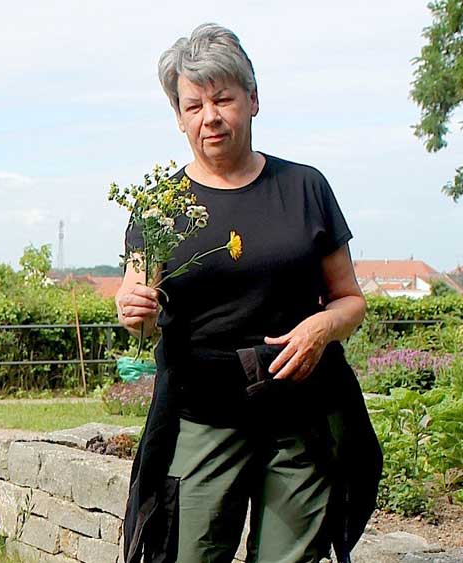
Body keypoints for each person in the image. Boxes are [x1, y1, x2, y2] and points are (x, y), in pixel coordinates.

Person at [115, 24, 382, 563]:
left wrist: (323, 328)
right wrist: (133, 309)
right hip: (202, 417)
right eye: (193, 105)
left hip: (300, 418)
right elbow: (139, 306)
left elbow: (350, 299)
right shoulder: (160, 205)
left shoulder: (306, 188)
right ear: (179, 117)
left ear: (252, 100)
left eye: (223, 99)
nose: (209, 116)